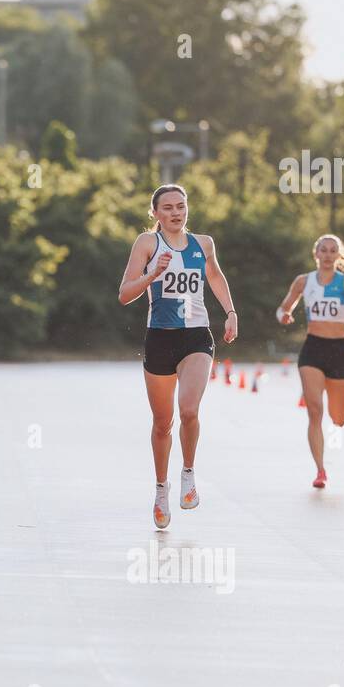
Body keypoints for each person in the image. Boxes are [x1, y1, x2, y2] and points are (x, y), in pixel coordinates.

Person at [118, 183, 237, 529]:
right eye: (167, 207)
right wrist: (152, 274)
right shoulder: (147, 243)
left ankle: (188, 472)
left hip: (196, 338)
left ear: (188, 209)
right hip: (160, 339)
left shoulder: (204, 244)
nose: (175, 213)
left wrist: (230, 312)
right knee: (161, 423)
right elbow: (124, 294)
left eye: (180, 206)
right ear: (155, 213)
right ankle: (160, 488)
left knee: (188, 410)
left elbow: (214, 275)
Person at [275, 234, 344, 489]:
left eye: (332, 251)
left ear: (338, 256)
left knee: (338, 418)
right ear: (315, 253)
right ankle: (320, 470)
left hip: (340, 350)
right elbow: (283, 308)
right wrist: (284, 315)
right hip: (313, 349)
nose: (327, 255)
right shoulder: (303, 282)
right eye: (323, 250)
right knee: (315, 410)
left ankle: (336, 424)